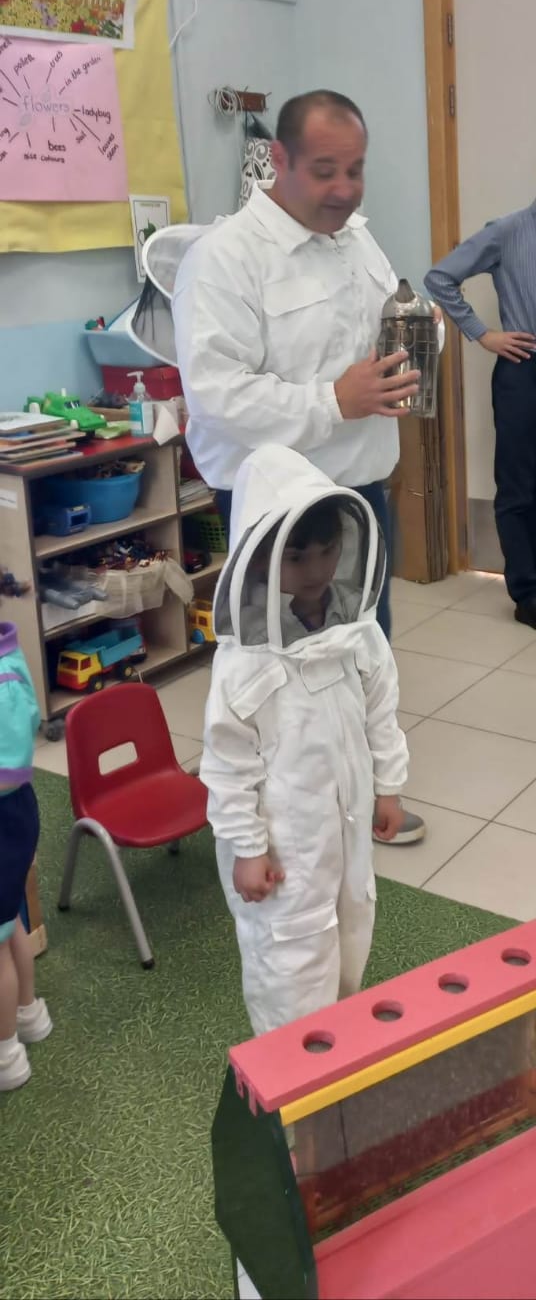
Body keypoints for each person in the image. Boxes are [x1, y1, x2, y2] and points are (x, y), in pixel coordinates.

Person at [167, 90, 444, 846]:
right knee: (278, 669)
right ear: (279, 160)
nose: (344, 189)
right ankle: (276, 822)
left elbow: (377, 336)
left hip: (359, 493)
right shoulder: (224, 259)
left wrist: (417, 339)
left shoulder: (356, 241)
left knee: (361, 650)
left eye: (355, 169)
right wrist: (332, 401)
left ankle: (369, 795)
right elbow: (218, 396)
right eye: (325, 170)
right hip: (275, 511)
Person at [200, 443, 409, 1035]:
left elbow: (381, 712)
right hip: (283, 850)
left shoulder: (357, 634)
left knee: (350, 930)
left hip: (346, 830)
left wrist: (389, 786)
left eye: (327, 551)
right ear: (258, 561)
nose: (317, 569)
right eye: (296, 557)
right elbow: (227, 766)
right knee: (289, 962)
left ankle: (337, 1052)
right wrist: (248, 848)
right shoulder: (245, 662)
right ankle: (289, 1073)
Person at [425, 207, 536, 626]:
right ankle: (528, 594)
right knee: (519, 486)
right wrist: (483, 334)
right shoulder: (508, 231)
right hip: (524, 369)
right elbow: (440, 278)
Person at [0, 618, 52, 1091]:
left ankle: (6, 1055)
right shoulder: (11, 653)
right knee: (9, 922)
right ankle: (29, 1013)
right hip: (18, 812)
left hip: (3, 816)